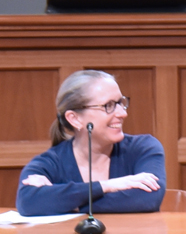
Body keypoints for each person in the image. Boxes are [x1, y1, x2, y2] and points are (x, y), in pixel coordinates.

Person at [17, 70, 166, 216]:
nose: (123, 113)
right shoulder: (51, 162)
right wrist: (109, 185)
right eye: (108, 105)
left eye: (120, 103)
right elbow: (27, 202)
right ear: (75, 119)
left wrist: (65, 203)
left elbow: (148, 198)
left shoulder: (143, 148)